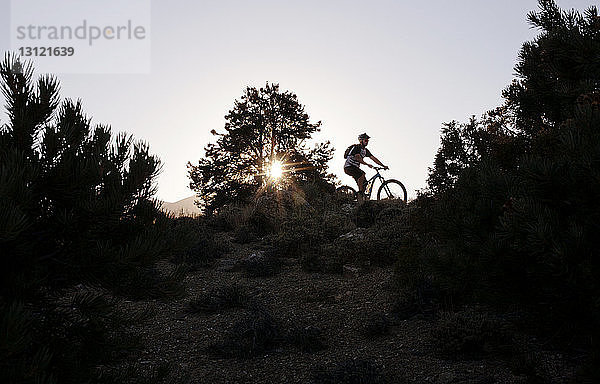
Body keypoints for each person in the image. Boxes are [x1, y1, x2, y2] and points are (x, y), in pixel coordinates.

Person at [344, 133, 388, 200]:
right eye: (366, 140)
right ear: (361, 141)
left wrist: (383, 165)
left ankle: (359, 198)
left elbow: (374, 159)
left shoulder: (365, 151)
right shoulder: (357, 147)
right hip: (349, 167)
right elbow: (358, 158)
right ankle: (360, 194)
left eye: (368, 141)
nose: (367, 142)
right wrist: (367, 164)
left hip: (355, 168)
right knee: (362, 174)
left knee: (365, 183)